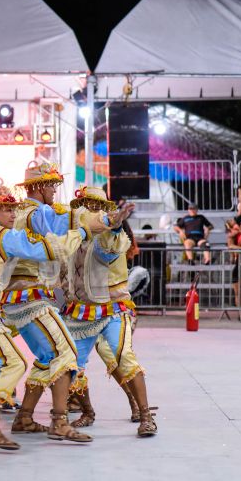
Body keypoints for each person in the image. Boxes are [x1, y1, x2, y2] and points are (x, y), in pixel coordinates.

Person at [0, 179, 97, 450]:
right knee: (25, 362)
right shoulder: (9, 231)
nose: (13, 215)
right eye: (7, 210)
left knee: (5, 370)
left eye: (14, 210)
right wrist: (85, 230)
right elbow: (51, 249)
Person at [62, 187, 157, 438]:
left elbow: (107, 252)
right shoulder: (74, 236)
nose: (89, 210)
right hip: (81, 312)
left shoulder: (113, 236)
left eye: (96, 205)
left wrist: (114, 226)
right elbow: (65, 272)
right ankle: (87, 411)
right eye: (85, 204)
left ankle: (145, 415)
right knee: (71, 364)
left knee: (120, 356)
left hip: (113, 309)